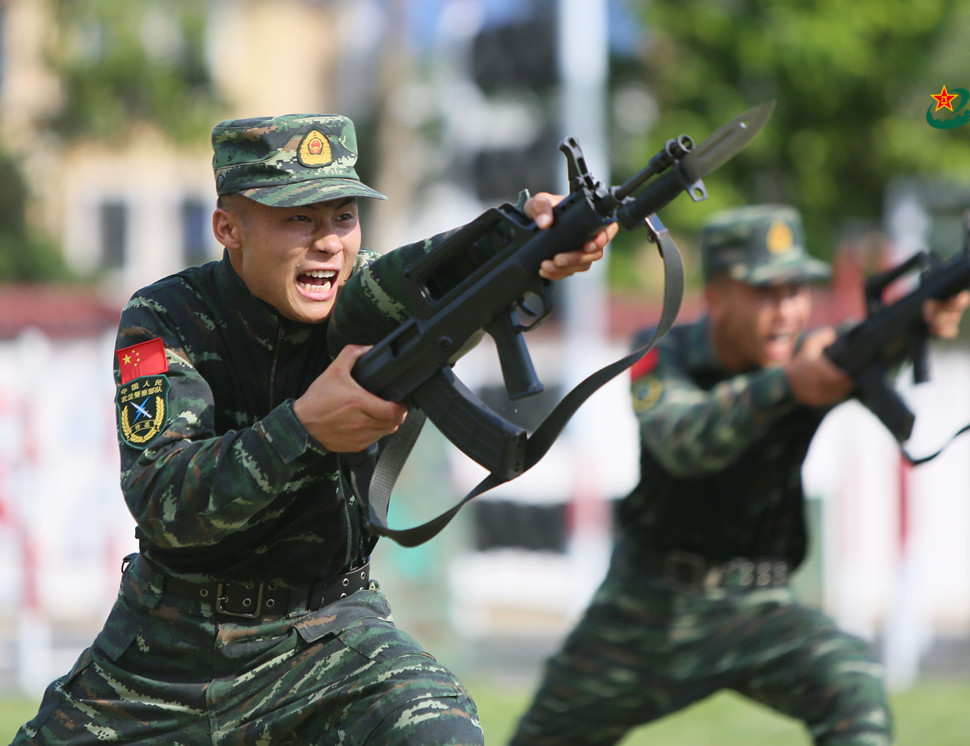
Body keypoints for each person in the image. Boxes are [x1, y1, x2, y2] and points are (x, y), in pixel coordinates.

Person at [12, 113, 612, 746]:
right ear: (228, 228)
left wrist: (538, 235)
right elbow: (164, 501)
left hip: (326, 637)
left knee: (439, 732)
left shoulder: (368, 296)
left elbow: (442, 264)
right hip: (166, 658)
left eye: (343, 217)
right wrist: (303, 428)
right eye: (299, 219)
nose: (329, 243)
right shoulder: (167, 317)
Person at [510, 203, 970, 746]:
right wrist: (785, 387)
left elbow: (871, 342)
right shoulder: (664, 350)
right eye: (765, 292)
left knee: (853, 680)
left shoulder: (812, 356)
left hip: (762, 613)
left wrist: (923, 318)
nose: (786, 311)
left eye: (796, 291)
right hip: (648, 613)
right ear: (717, 298)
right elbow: (685, 441)